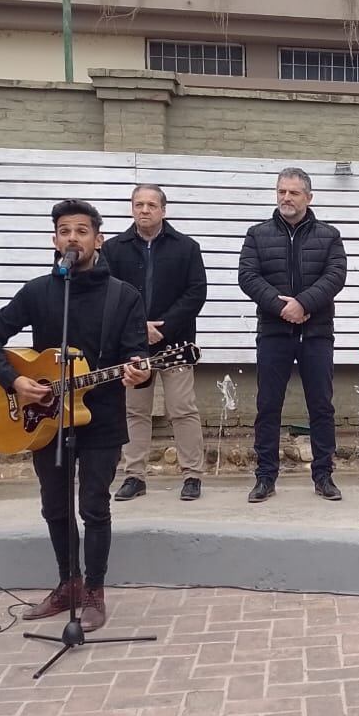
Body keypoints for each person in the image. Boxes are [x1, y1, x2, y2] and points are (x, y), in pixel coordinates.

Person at [0, 199, 150, 632]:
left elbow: (137, 357)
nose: (73, 238)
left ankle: (94, 592)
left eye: (82, 231)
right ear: (55, 241)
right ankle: (68, 584)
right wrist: (14, 381)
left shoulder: (123, 296)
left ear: (98, 240)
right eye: (65, 231)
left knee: (93, 506)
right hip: (46, 418)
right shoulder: (39, 291)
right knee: (54, 506)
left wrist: (139, 372)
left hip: (101, 417)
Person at [238, 167, 347, 503]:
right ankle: (265, 477)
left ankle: (324, 475)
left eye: (294, 193)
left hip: (316, 333)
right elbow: (248, 276)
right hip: (274, 332)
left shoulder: (329, 236)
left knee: (321, 406)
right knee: (268, 406)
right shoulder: (257, 235)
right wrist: (281, 307)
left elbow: (335, 275)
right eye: (281, 191)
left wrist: (303, 304)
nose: (286, 198)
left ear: (308, 198)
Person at [102, 184, 208, 502]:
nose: (144, 210)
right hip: (132, 346)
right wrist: (138, 327)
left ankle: (192, 475)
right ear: (132, 208)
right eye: (139, 204)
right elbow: (106, 294)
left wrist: (165, 326)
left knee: (183, 409)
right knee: (135, 411)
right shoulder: (113, 249)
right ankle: (134, 476)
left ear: (163, 209)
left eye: (151, 205)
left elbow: (196, 292)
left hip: (176, 345)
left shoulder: (186, 247)